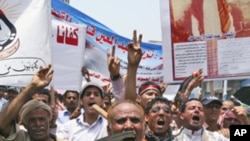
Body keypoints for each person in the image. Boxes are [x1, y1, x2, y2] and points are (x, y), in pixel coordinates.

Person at [0, 65, 66, 141]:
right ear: (24, 124)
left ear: (49, 120)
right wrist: (32, 87)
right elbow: (2, 124)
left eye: (42, 119)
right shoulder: (21, 138)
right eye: (31, 120)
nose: (38, 124)